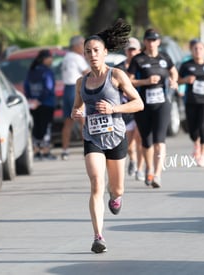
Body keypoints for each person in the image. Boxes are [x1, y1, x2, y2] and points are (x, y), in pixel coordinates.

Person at [70, 19, 144, 253]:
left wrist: (113, 109)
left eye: (96, 51)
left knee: (117, 188)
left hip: (116, 137)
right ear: (84, 55)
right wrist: (77, 112)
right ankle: (98, 236)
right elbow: (77, 108)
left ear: (105, 53)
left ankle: (116, 197)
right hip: (93, 138)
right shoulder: (81, 82)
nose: (92, 55)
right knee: (96, 183)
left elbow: (138, 103)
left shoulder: (116, 76)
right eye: (88, 51)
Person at [127, 28, 179, 188]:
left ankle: (157, 174)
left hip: (162, 103)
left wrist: (173, 81)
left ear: (158, 42)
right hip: (143, 105)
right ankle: (149, 168)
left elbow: (174, 72)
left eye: (154, 40)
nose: (151, 43)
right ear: (145, 42)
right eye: (148, 40)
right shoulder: (138, 60)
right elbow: (129, 81)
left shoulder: (165, 57)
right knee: (146, 141)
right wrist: (146, 81)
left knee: (160, 140)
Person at [178, 39, 204, 167]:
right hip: (191, 100)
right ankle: (196, 144)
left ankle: (202, 155)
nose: (198, 51)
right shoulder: (186, 65)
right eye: (195, 49)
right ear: (192, 51)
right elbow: (178, 80)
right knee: (192, 130)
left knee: (203, 127)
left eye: (200, 49)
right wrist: (186, 79)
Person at [115, 37, 145, 181]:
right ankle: (132, 159)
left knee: (140, 139)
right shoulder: (119, 68)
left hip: (141, 107)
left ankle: (140, 169)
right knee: (128, 143)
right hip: (125, 108)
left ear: (139, 51)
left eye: (134, 50)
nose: (132, 52)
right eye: (129, 50)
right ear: (126, 51)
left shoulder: (144, 66)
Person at [60, 35, 90, 160]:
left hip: (67, 89)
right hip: (75, 88)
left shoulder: (66, 57)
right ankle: (88, 149)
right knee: (83, 120)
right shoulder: (77, 57)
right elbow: (87, 72)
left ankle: (65, 150)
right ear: (75, 45)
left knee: (68, 122)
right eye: (82, 44)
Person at [24, 49, 57, 160]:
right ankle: (45, 152)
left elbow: (27, 86)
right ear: (44, 59)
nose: (51, 60)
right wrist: (40, 100)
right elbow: (48, 88)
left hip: (33, 105)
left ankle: (37, 151)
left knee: (36, 127)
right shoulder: (47, 72)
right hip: (46, 103)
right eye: (50, 58)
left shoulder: (32, 71)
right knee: (46, 127)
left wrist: (32, 100)